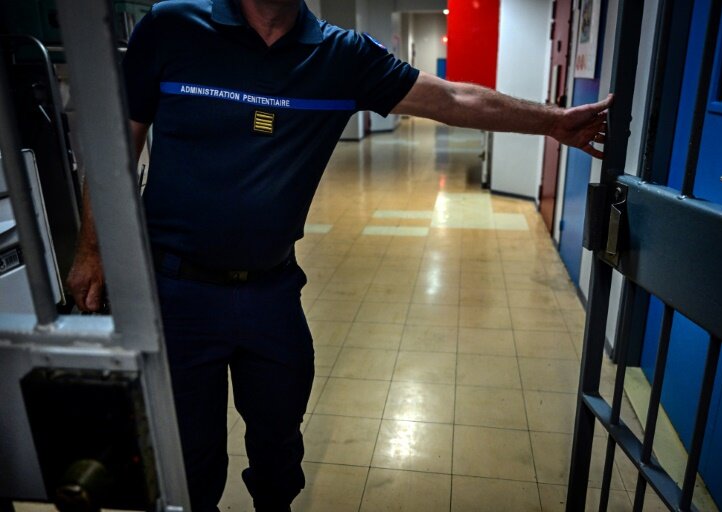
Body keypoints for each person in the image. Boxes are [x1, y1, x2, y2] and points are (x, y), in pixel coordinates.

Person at [66, 0, 611, 510]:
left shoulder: (339, 55)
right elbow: (117, 141)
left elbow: (452, 100)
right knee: (188, 458)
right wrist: (91, 248)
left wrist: (553, 122)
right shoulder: (171, 25)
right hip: (176, 292)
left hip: (270, 293)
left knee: (279, 451)